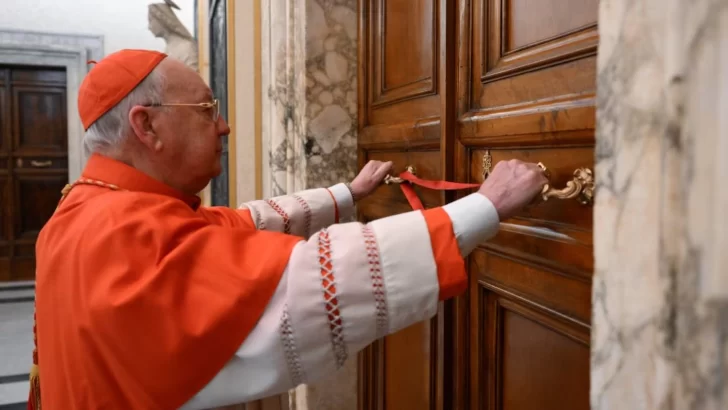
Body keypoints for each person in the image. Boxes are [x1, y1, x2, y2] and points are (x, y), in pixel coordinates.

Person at [30, 49, 548, 410]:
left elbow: (236, 223)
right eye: (208, 109)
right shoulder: (120, 234)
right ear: (147, 126)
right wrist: (485, 207)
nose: (223, 125)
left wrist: (346, 194)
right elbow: (301, 284)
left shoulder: (93, 207)